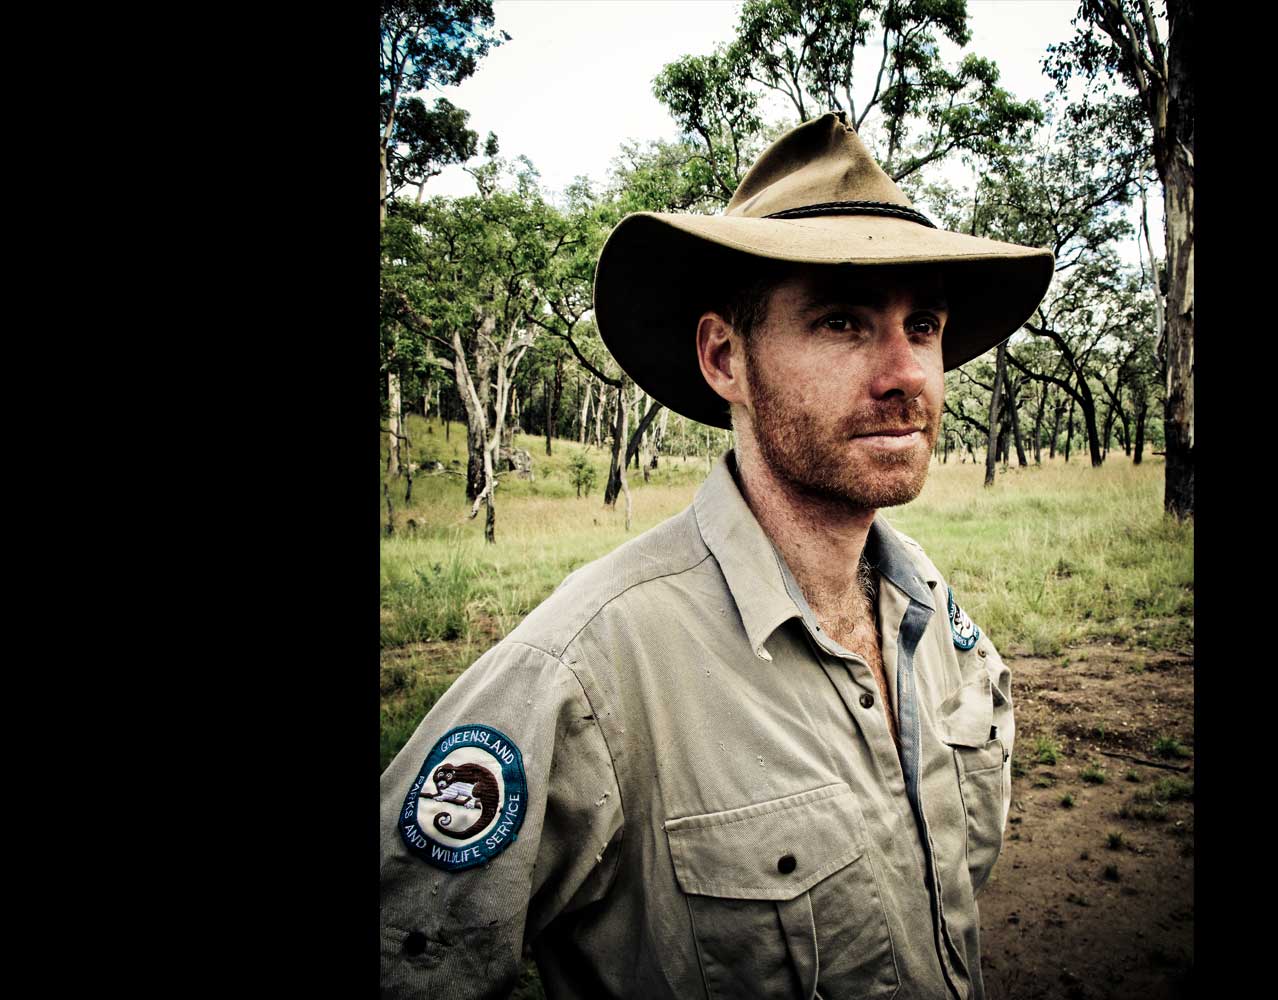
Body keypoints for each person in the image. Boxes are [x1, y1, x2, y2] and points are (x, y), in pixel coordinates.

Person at [380, 111, 1054, 1000]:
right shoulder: (587, 671)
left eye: (922, 323)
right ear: (725, 357)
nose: (907, 373)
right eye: (844, 322)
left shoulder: (928, 607)